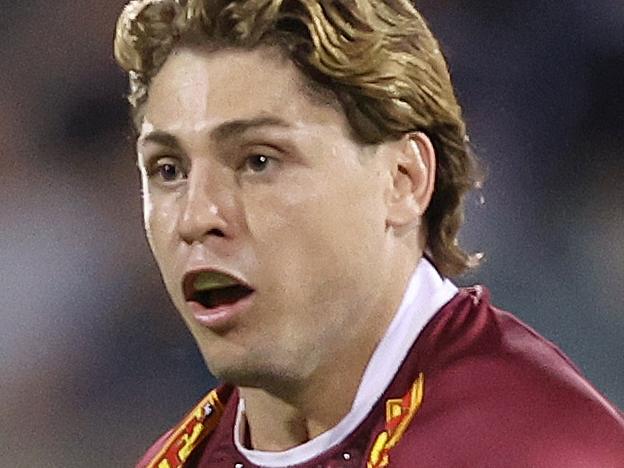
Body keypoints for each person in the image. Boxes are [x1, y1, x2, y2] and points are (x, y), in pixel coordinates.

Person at [113, 0, 624, 466]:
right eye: (168, 170)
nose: (197, 217)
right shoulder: (175, 459)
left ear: (405, 180)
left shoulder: (542, 449)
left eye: (258, 161)